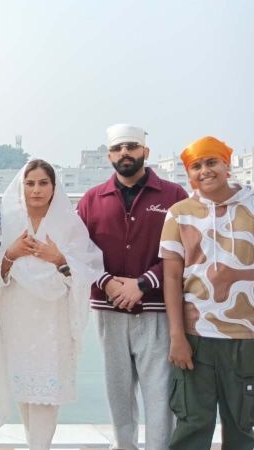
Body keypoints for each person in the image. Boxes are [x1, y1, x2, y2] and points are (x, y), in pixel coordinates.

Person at [77, 124, 187, 450]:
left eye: (131, 146)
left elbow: (182, 249)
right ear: (109, 155)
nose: (125, 153)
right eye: (118, 148)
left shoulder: (173, 196)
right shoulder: (92, 199)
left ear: (145, 152)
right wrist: (107, 283)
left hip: (156, 309)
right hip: (108, 310)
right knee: (118, 392)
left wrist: (143, 283)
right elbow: (78, 250)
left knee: (158, 392)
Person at [0, 159, 103, 450]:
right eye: (30, 183)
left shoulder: (68, 222)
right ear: (22, 186)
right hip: (17, 314)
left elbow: (87, 267)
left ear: (54, 186)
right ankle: (34, 444)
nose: (36, 190)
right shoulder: (8, 220)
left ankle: (41, 446)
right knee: (24, 389)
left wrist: (58, 258)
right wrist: (11, 253)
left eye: (43, 183)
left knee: (48, 389)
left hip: (52, 318)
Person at [160, 136, 254, 449]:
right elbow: (172, 277)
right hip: (195, 338)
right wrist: (177, 337)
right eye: (196, 166)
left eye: (212, 162)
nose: (205, 171)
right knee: (192, 426)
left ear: (227, 166)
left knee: (244, 429)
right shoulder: (178, 214)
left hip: (246, 340)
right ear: (188, 174)